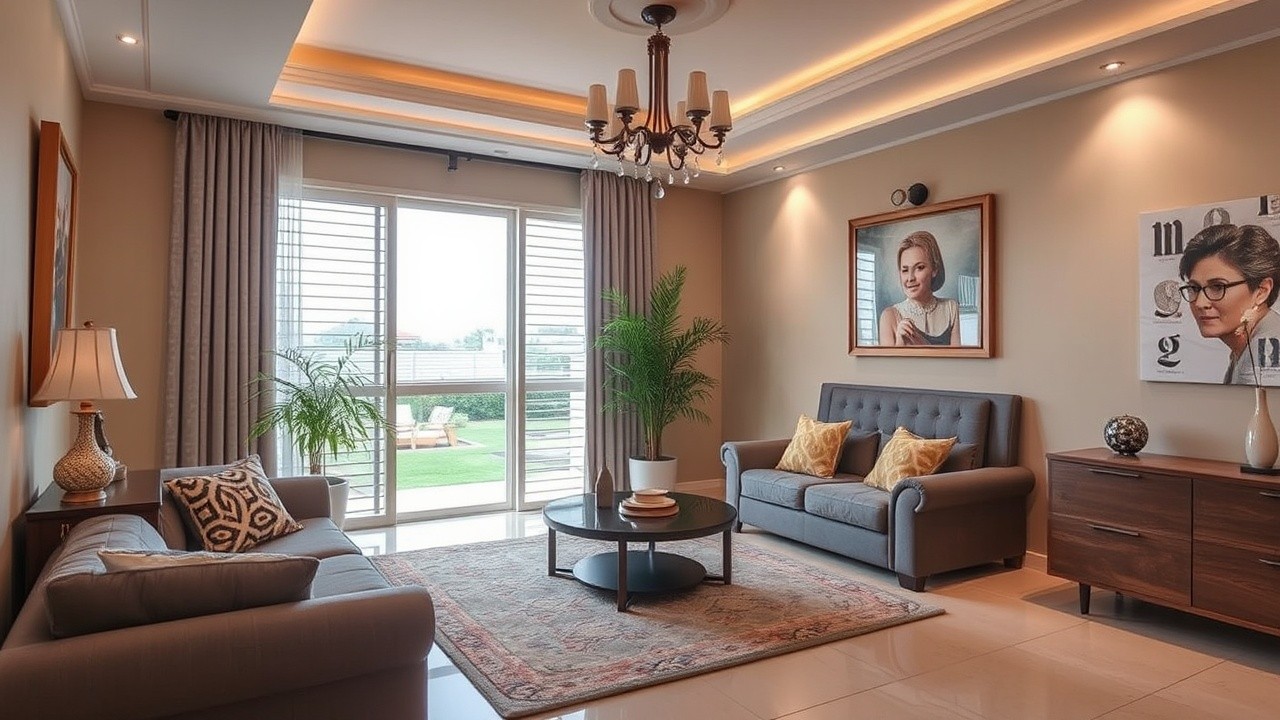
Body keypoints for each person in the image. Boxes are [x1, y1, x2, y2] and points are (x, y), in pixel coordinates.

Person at [1178, 224, 1280, 384]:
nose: (1200, 303)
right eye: (1194, 288)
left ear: (1261, 291)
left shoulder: (1266, 357)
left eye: (1218, 287)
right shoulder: (1251, 347)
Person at [878, 231, 960, 346]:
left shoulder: (951, 308)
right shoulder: (889, 316)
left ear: (934, 269)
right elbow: (886, 359)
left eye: (919, 268)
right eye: (905, 270)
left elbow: (959, 357)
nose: (910, 278)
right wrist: (900, 342)